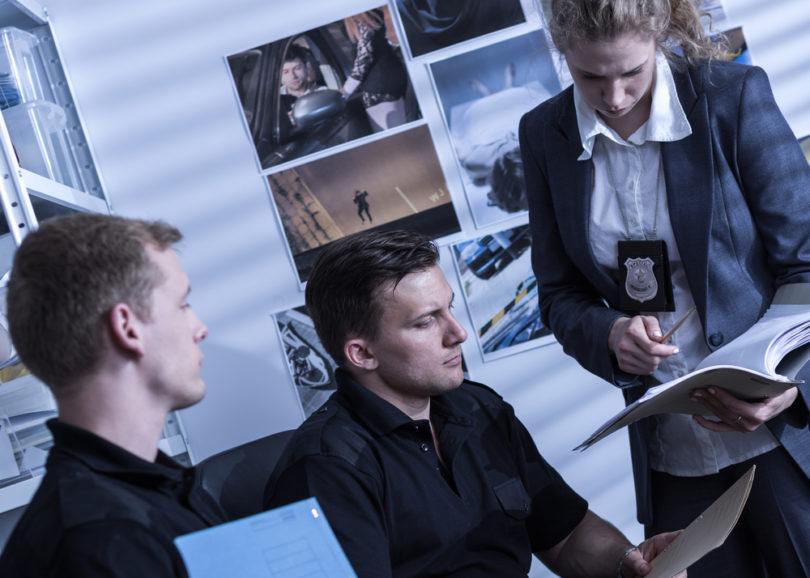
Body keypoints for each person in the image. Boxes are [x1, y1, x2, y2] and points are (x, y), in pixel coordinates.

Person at [518, 0, 810, 576]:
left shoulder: (733, 96)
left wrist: (791, 384)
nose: (616, 97)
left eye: (632, 72)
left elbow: (805, 263)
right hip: (671, 456)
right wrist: (610, 334)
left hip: (782, 436)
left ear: (658, 35)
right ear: (560, 46)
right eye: (590, 78)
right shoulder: (543, 134)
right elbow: (557, 293)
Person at [264, 229, 683, 578]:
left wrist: (630, 562)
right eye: (426, 322)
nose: (459, 333)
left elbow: (567, 535)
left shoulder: (479, 409)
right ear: (362, 354)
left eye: (448, 308)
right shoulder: (325, 470)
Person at [0, 213, 224, 577]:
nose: (200, 328)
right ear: (128, 328)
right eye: (182, 304)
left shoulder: (157, 488)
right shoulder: (104, 543)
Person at [341, 8, 409, 132]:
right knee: (400, 135)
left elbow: (365, 54)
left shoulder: (359, 17)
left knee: (394, 141)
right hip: (390, 77)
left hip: (378, 86)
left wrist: (345, 91)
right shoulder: (370, 14)